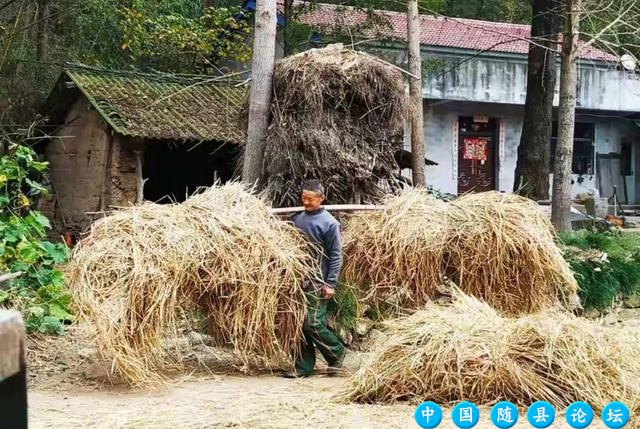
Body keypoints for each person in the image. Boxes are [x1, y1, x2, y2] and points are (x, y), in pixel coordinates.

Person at [283, 179, 346, 378]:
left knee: (312, 322)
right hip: (298, 279)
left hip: (318, 281)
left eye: (310, 199)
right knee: (296, 322)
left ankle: (337, 352)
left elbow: (336, 255)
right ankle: (302, 366)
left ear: (321, 198)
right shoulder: (297, 219)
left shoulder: (330, 224)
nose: (306, 203)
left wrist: (330, 283)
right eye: (304, 198)